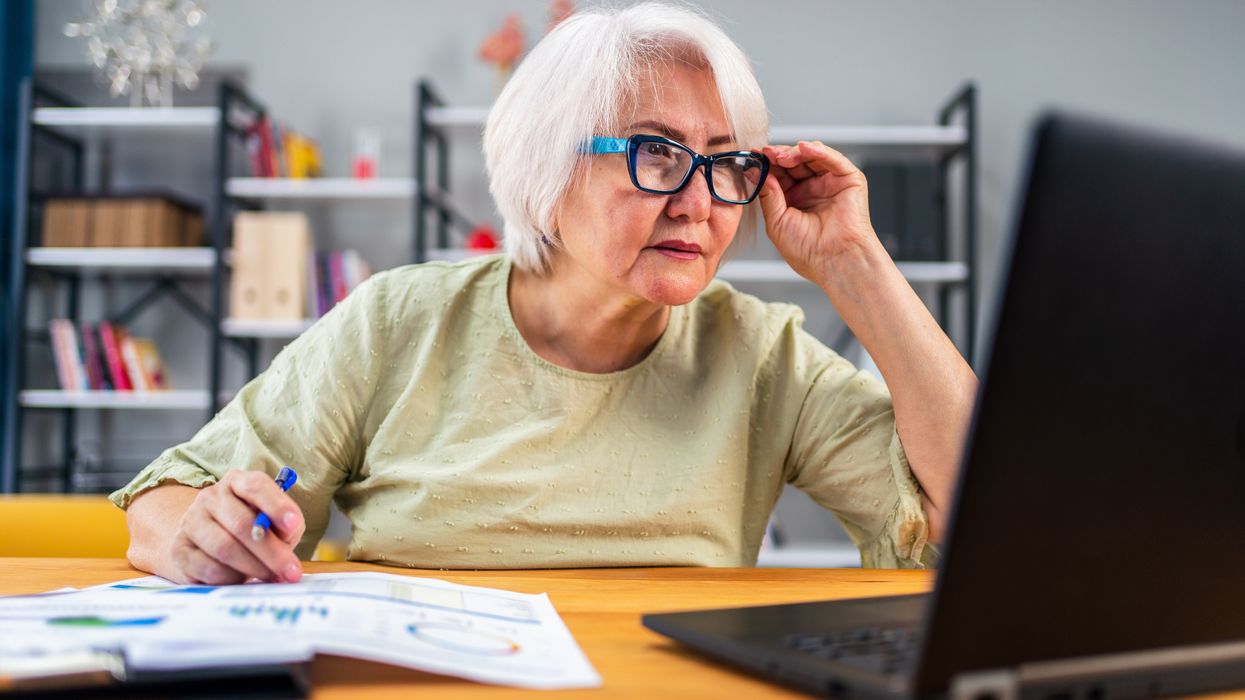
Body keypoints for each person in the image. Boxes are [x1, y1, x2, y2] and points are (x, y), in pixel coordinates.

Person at [112, 2, 977, 585]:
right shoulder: (398, 320)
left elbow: (971, 517)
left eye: (724, 162)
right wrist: (201, 532)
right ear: (544, 171)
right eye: (657, 153)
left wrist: (856, 262)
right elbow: (162, 502)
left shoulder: (763, 354)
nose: (697, 201)